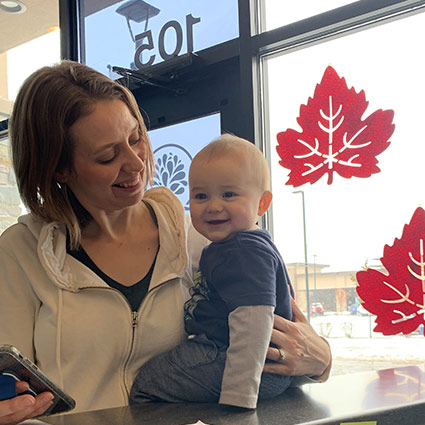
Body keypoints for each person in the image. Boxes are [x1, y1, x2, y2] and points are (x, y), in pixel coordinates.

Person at [0, 60, 331, 424]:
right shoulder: (20, 253)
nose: (135, 163)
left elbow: (283, 327)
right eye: (108, 155)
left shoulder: (199, 237)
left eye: (135, 138)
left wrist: (321, 359)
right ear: (59, 169)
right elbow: (14, 392)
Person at [130, 135, 297, 409]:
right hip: (240, 359)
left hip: (236, 359)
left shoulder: (244, 251)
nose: (213, 206)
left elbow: (253, 324)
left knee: (149, 383)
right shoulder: (233, 245)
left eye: (229, 194)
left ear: (262, 204)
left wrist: (238, 398)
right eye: (200, 195)